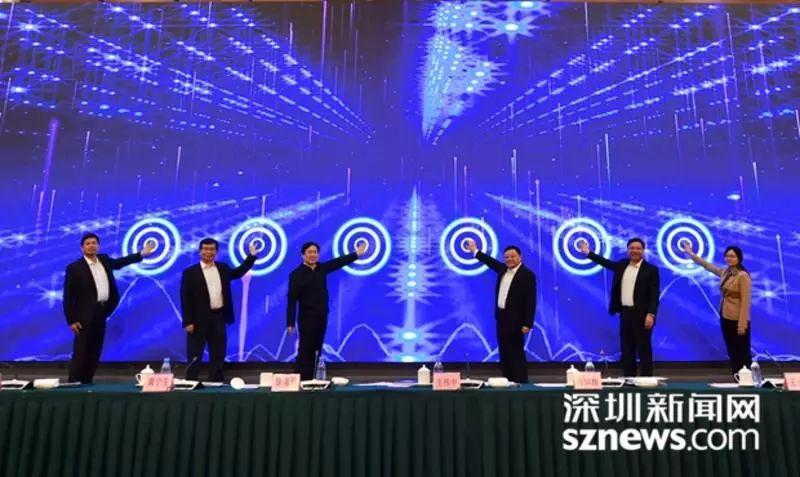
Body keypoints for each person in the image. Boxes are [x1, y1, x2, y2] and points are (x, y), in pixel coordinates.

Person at [63, 232, 155, 384]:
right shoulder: (74, 268)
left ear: (98, 246)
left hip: (101, 312)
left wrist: (140, 254)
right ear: (82, 248)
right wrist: (71, 320)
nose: (91, 246)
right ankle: (73, 382)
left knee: (95, 350)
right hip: (83, 316)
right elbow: (68, 295)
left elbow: (120, 263)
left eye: (94, 243)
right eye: (88, 243)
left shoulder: (104, 260)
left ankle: (87, 381)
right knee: (81, 351)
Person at [578, 238, 660, 377]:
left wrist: (651, 314)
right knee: (627, 349)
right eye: (632, 248)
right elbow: (606, 263)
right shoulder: (622, 265)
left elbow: (654, 294)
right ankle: (629, 379)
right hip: (625, 313)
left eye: (638, 248)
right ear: (628, 250)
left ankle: (647, 380)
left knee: (644, 349)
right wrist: (588, 253)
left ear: (643, 250)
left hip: (643, 315)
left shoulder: (651, 270)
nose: (635, 251)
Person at [180, 238, 257, 382]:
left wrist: (251, 257)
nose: (208, 252)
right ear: (200, 251)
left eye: (212, 249)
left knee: (218, 353)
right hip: (197, 320)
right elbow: (185, 298)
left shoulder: (222, 268)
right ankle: (190, 382)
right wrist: (188, 321)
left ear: (216, 251)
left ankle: (217, 382)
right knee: (195, 354)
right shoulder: (190, 272)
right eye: (205, 249)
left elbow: (238, 272)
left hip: (218, 317)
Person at [286, 241, 366, 380]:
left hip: (322, 316)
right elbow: (292, 300)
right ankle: (301, 379)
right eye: (309, 252)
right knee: (305, 349)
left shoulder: (321, 268)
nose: (313, 255)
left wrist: (356, 254)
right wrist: (290, 322)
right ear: (303, 255)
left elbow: (338, 262)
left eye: (315, 252)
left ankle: (313, 379)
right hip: (306, 318)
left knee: (317, 349)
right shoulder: (296, 274)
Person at [466, 239, 536, 383]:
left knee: (516, 353)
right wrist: (475, 251)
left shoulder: (527, 274)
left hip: (517, 321)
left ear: (520, 257)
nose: (509, 259)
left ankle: (520, 382)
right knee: (504, 352)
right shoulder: (503, 269)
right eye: (506, 257)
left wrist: (527, 323)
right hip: (502, 318)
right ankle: (507, 381)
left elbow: (531, 300)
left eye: (513, 256)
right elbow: (490, 262)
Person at [682, 243, 752, 374]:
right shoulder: (726, 273)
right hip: (726, 317)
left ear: (739, 258)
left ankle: (747, 377)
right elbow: (708, 266)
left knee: (742, 350)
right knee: (732, 350)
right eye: (727, 256)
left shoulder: (743, 276)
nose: (729, 258)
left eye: (732, 256)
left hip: (738, 319)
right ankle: (736, 375)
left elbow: (746, 301)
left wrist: (742, 324)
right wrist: (691, 254)